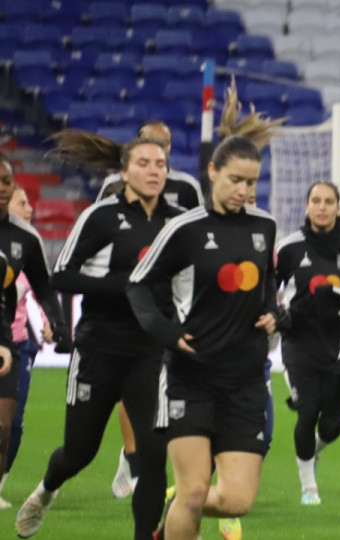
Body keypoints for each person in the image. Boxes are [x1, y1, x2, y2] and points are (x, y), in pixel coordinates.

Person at [126, 87, 283, 540]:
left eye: (252, 182)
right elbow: (138, 284)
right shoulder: (183, 229)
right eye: (235, 180)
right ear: (212, 172)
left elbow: (267, 283)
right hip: (191, 376)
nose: (244, 191)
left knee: (237, 501)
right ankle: (182, 509)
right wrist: (166, 332)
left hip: (247, 382)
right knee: (195, 492)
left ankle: (175, 513)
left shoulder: (264, 227)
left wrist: (272, 312)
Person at [14, 134, 182, 540]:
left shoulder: (177, 221)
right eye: (143, 163)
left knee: (154, 455)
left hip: (150, 352)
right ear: (124, 171)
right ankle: (47, 489)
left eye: (160, 163)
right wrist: (126, 286)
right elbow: (61, 275)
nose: (153, 170)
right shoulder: (100, 217)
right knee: (79, 453)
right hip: (98, 350)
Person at [99, 120, 205, 501]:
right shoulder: (112, 189)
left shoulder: (187, 188)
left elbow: (199, 238)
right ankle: (131, 456)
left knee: (167, 386)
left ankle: (159, 464)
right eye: (148, 145)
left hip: (169, 303)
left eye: (164, 146)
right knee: (132, 387)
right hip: (128, 302)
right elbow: (102, 240)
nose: (156, 156)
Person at [275, 181, 340, 505]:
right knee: (308, 411)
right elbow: (267, 291)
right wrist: (278, 316)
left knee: (332, 424)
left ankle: (313, 454)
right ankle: (308, 488)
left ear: (338, 207)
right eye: (316, 200)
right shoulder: (289, 247)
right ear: (307, 205)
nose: (322, 206)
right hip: (300, 342)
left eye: (329, 201)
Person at [0, 184, 54, 508]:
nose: (30, 209)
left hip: (18, 343)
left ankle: (0, 481)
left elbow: (43, 287)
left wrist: (50, 322)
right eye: (24, 203)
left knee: (12, 423)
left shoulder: (28, 245)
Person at [98, 120, 204, 208]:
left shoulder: (187, 186)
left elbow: (199, 228)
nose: (159, 148)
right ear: (138, 143)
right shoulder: (114, 184)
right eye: (153, 141)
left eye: (165, 143)